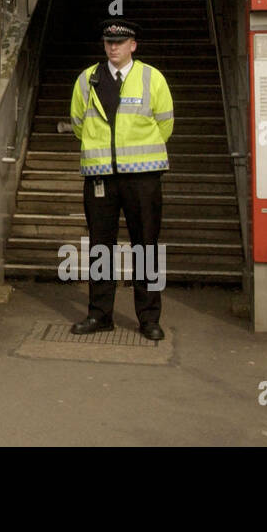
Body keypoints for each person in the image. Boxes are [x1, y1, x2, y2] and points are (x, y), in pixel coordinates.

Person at [67, 18, 174, 340]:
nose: (113, 47)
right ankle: (100, 315)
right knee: (101, 248)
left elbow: (165, 123)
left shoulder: (151, 78)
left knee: (147, 247)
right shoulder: (87, 79)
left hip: (143, 176)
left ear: (133, 45)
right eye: (108, 42)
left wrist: (136, 155)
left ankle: (149, 319)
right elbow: (77, 123)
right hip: (101, 176)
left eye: (120, 42)